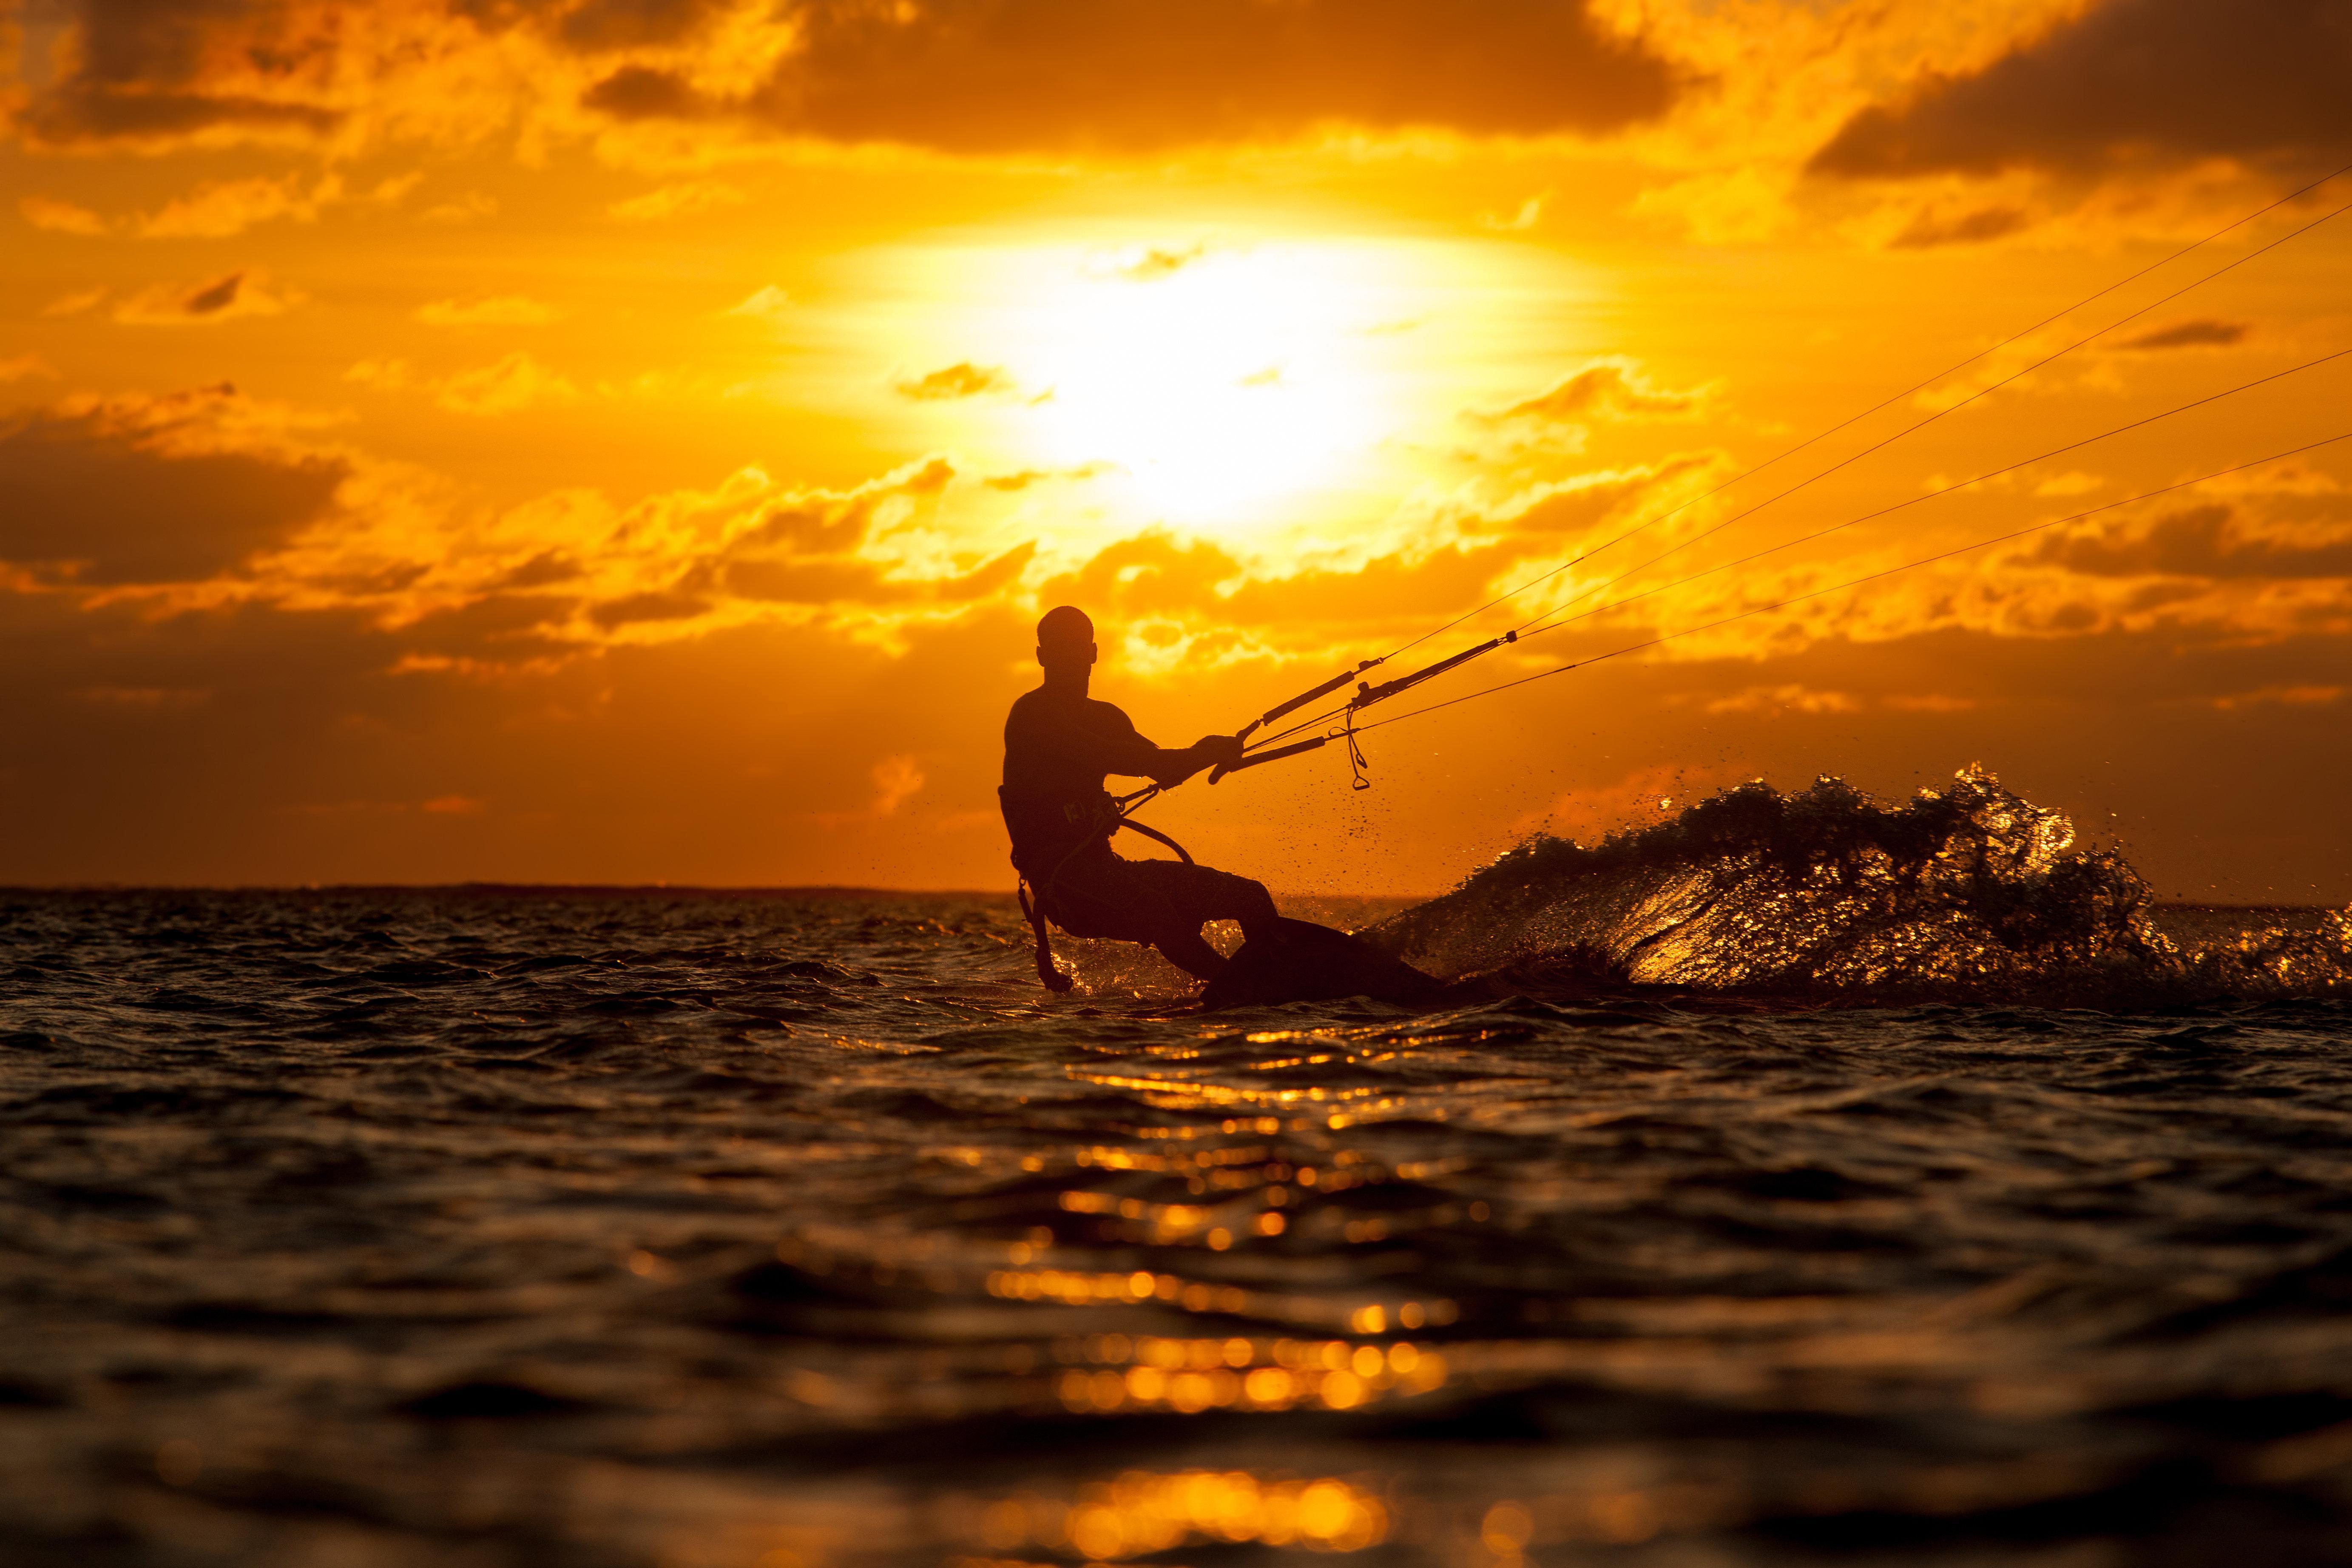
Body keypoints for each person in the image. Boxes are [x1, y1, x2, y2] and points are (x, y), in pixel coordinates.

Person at [1000, 605, 1281, 986]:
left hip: (1110, 869)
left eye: (1078, 647)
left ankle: (1280, 978)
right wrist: (1202, 754)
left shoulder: (1108, 718)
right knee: (1154, 908)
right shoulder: (1033, 715)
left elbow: (1162, 766)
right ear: (1042, 656)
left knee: (1251, 897)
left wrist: (1211, 750)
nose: (1070, 656)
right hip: (1063, 882)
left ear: (1094, 653)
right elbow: (1112, 756)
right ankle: (1238, 987)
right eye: (1060, 647)